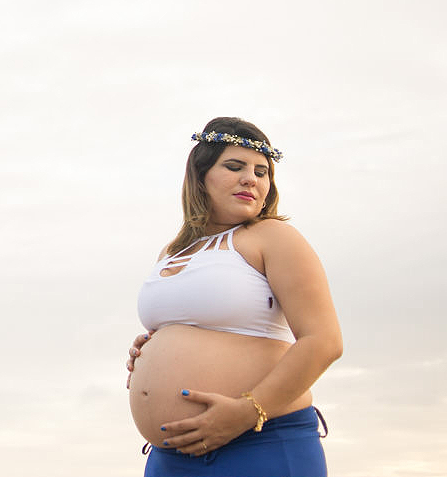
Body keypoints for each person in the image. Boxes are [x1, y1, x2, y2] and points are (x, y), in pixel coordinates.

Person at [125, 117, 342, 476]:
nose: (250, 179)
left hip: (260, 440)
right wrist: (150, 349)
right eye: (235, 166)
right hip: (173, 456)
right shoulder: (173, 251)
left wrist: (247, 412)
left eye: (262, 172)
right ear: (200, 174)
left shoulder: (273, 237)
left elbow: (324, 341)